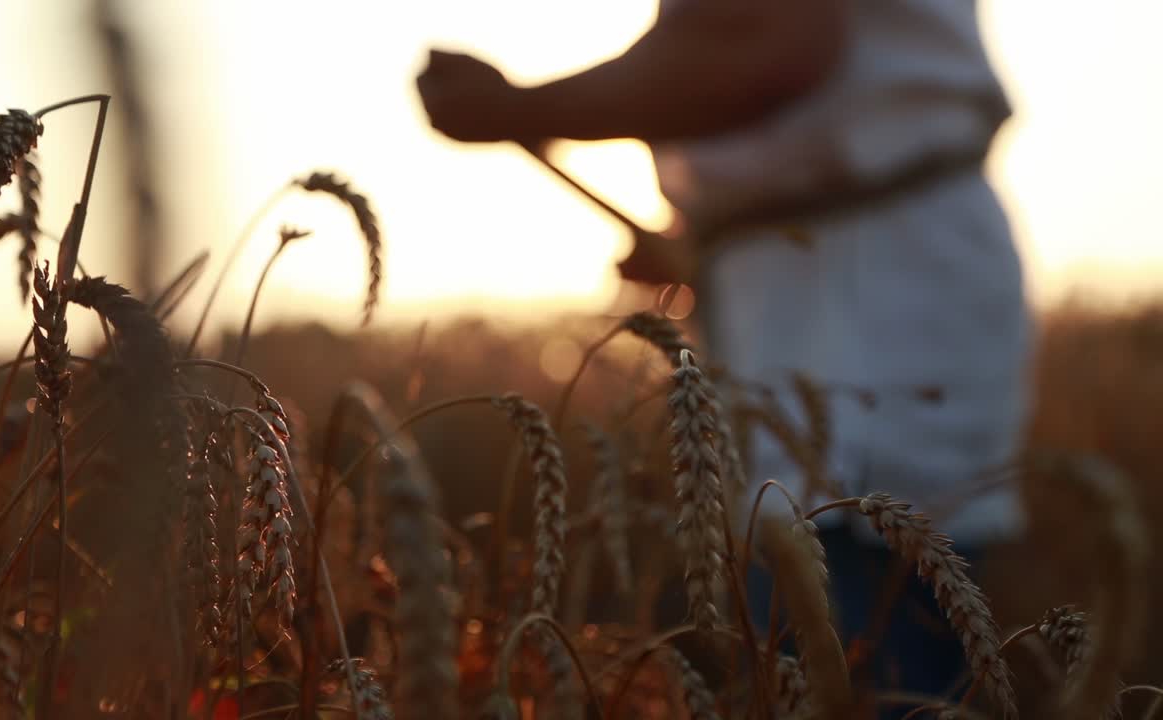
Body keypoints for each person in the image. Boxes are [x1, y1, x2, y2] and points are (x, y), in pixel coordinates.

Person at [417, 0, 1033, 716]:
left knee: (859, 631)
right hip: (844, 279)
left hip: (868, 299)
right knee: (848, 624)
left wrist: (523, 108)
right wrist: (698, 230)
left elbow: (774, 49)